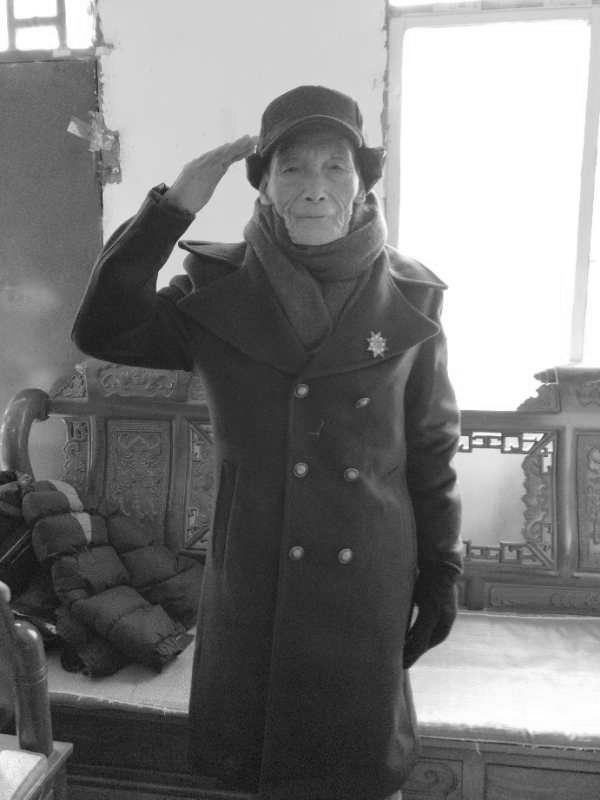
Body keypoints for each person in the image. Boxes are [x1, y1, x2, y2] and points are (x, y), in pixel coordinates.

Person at [72, 85, 463, 800]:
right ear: (264, 184)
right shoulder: (215, 287)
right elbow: (104, 329)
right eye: (292, 168)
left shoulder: (413, 295)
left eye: (335, 166)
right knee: (258, 762)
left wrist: (442, 569)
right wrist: (169, 210)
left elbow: (431, 446)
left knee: (358, 768)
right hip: (255, 564)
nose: (315, 187)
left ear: (362, 181)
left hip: (367, 568)